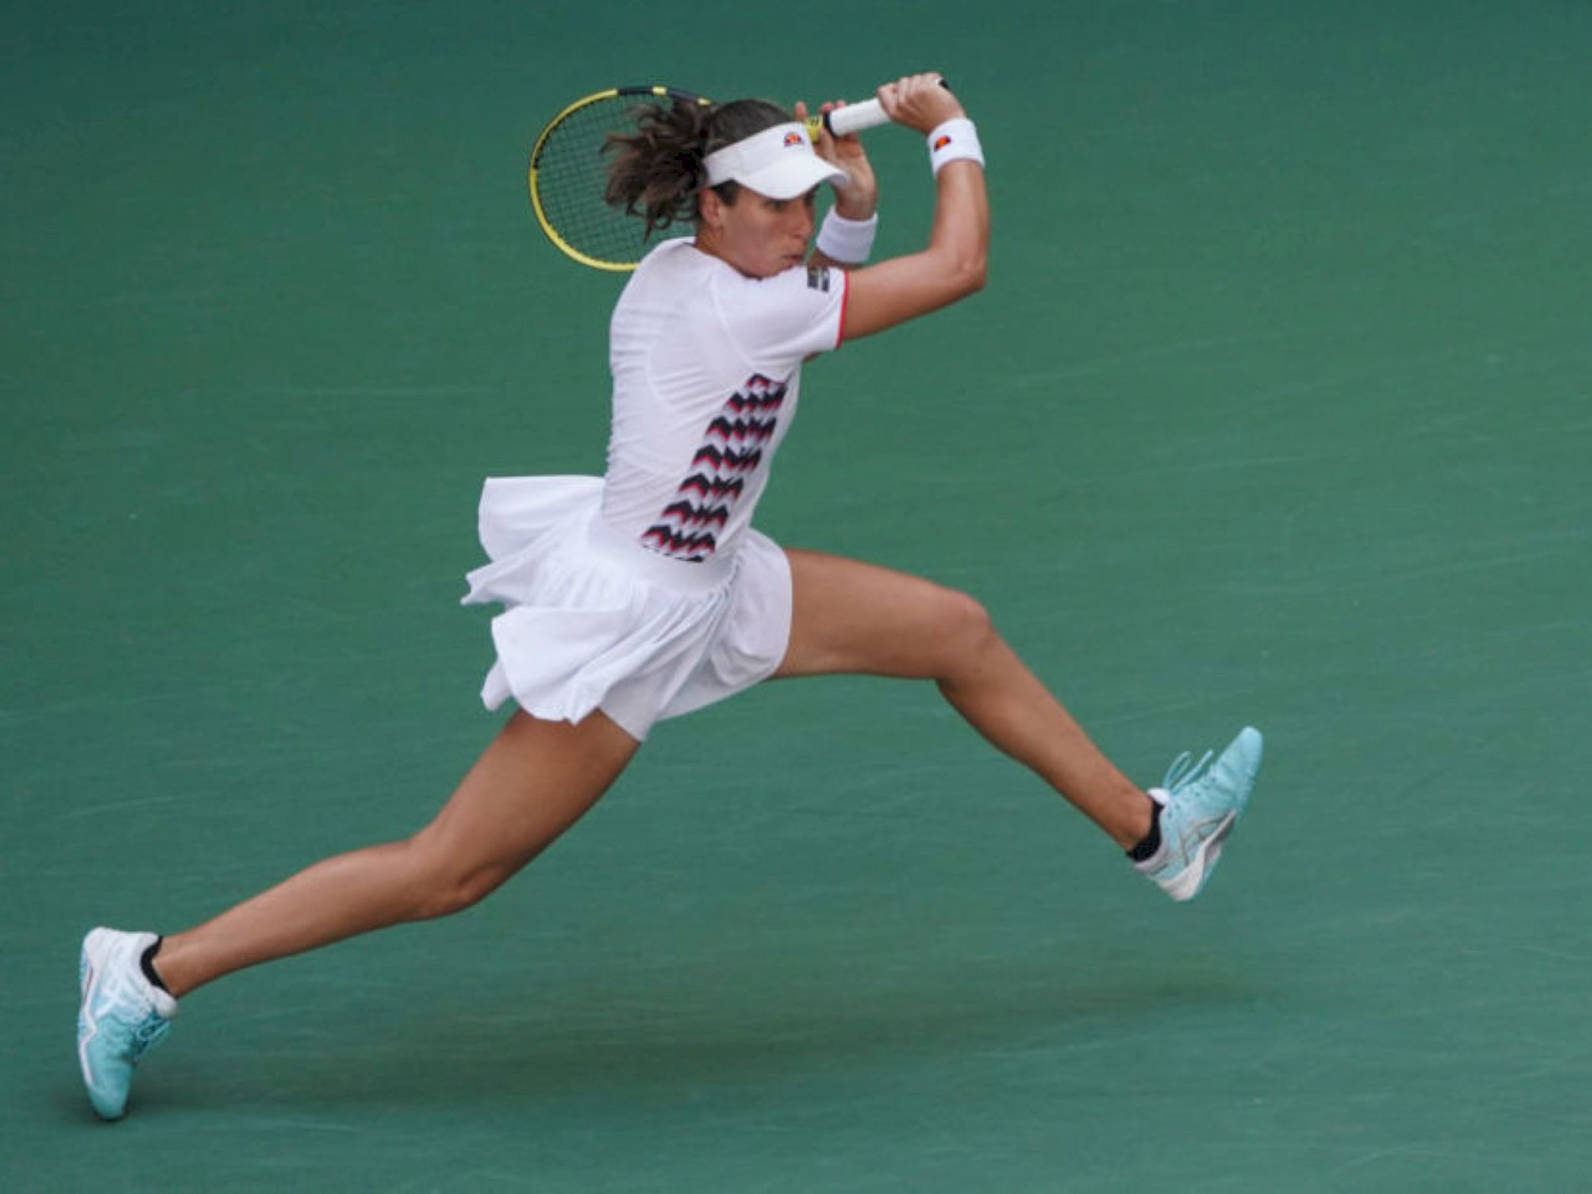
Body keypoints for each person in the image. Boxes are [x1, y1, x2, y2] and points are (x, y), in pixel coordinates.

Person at [75, 72, 1263, 1121]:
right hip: (635, 617)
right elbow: (959, 270)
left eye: (806, 203)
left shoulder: (694, 269)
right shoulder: (742, 303)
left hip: (723, 577)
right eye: (780, 204)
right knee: (451, 871)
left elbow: (813, 294)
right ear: (717, 205)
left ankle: (1159, 837)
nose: (798, 223)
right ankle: (150, 971)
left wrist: (852, 203)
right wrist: (950, 132)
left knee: (957, 630)